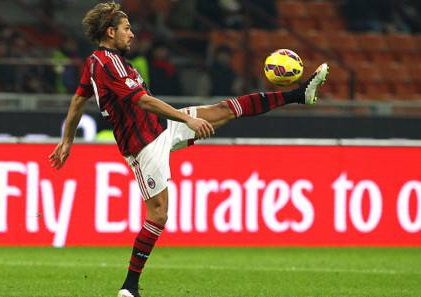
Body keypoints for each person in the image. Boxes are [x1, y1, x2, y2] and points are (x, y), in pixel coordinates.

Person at [48, 2, 329, 297]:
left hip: (160, 126)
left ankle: (298, 94)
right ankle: (129, 287)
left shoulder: (97, 62)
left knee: (225, 109)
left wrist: (67, 140)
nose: (132, 34)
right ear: (110, 32)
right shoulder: (109, 63)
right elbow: (142, 100)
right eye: (127, 29)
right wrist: (187, 119)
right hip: (143, 145)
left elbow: (79, 100)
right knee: (158, 215)